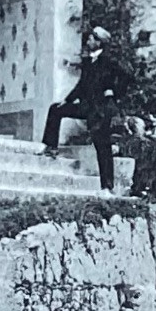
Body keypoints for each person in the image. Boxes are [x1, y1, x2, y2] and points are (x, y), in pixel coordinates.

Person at [41, 26, 132, 190]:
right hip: (87, 107)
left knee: (102, 145)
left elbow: (127, 77)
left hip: (102, 110)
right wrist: (67, 100)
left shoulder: (108, 61)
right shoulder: (89, 62)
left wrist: (114, 94)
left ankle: (107, 187)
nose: (88, 41)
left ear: (99, 42)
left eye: (91, 39)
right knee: (56, 109)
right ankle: (51, 147)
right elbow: (81, 85)